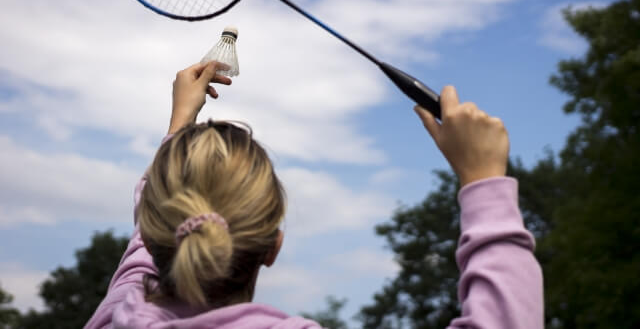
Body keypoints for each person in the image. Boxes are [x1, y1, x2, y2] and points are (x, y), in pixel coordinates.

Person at [85, 61, 543, 328]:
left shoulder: (118, 314)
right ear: (272, 248)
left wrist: (179, 125)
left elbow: (149, 235)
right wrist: (483, 180)